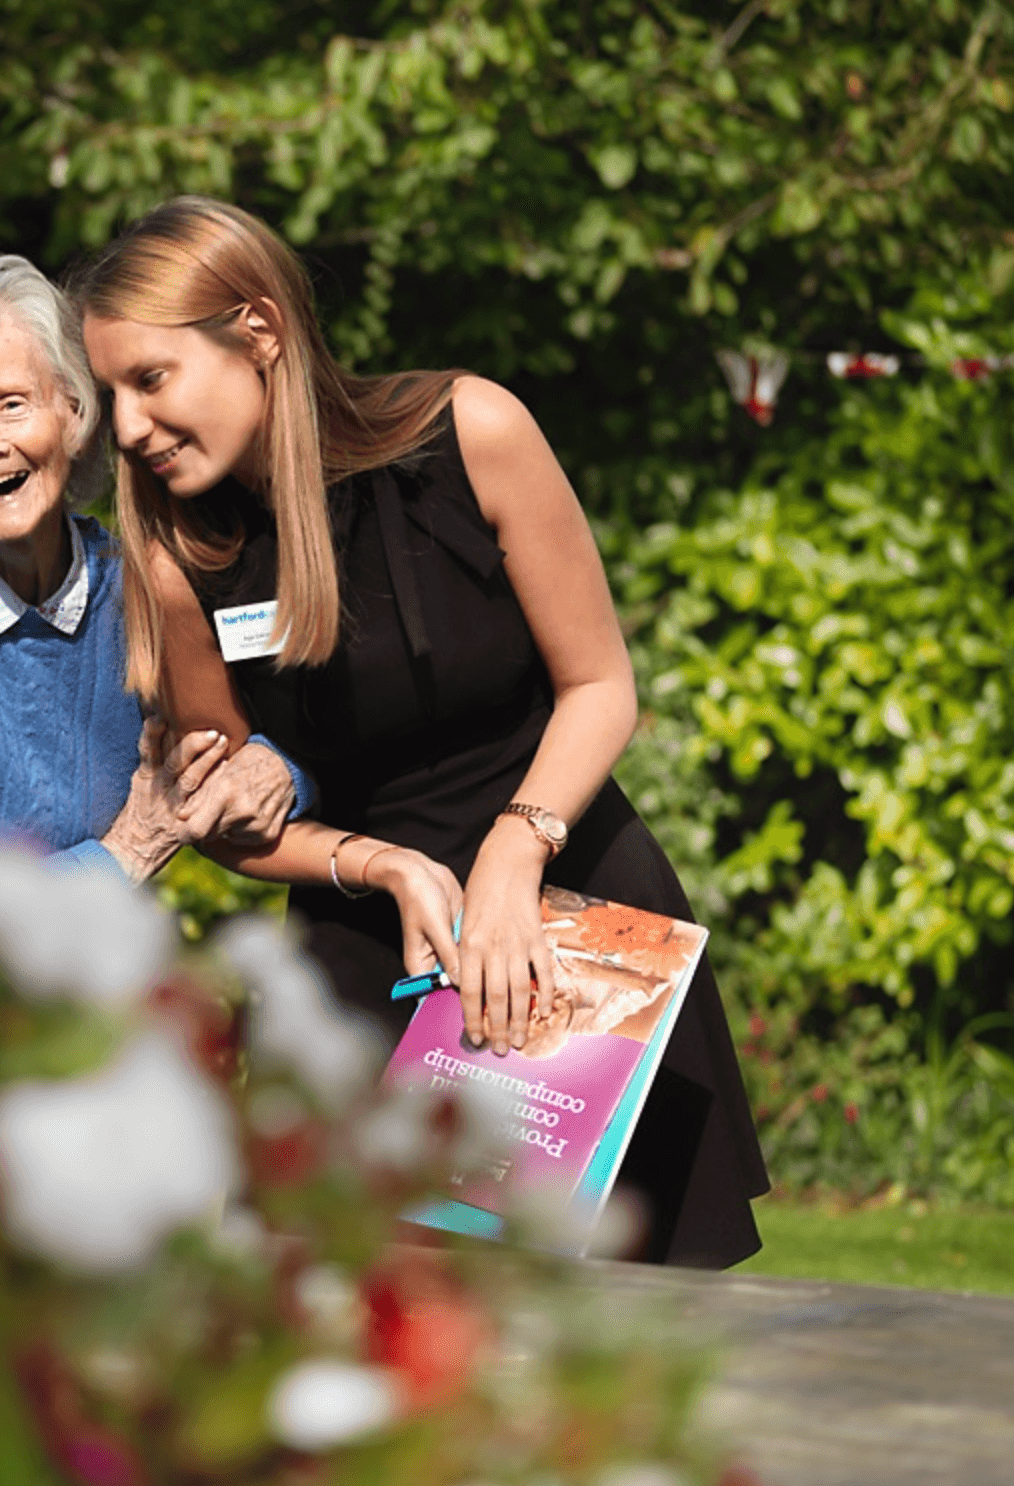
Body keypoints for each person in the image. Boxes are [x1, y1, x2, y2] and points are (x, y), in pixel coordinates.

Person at [73, 197, 768, 1265]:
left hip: (582, 917)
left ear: (257, 333)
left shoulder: (472, 431)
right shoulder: (178, 558)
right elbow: (225, 820)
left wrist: (511, 851)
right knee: (361, 1348)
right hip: (364, 959)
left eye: (149, 381)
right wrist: (380, 864)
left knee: (648, 1344)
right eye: (109, 394)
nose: (124, 428)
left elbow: (599, 685)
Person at [0, 252, 311, 882]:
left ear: (74, 412)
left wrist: (279, 766)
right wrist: (123, 854)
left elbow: (278, 723)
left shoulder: (143, 585)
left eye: (10, 404)